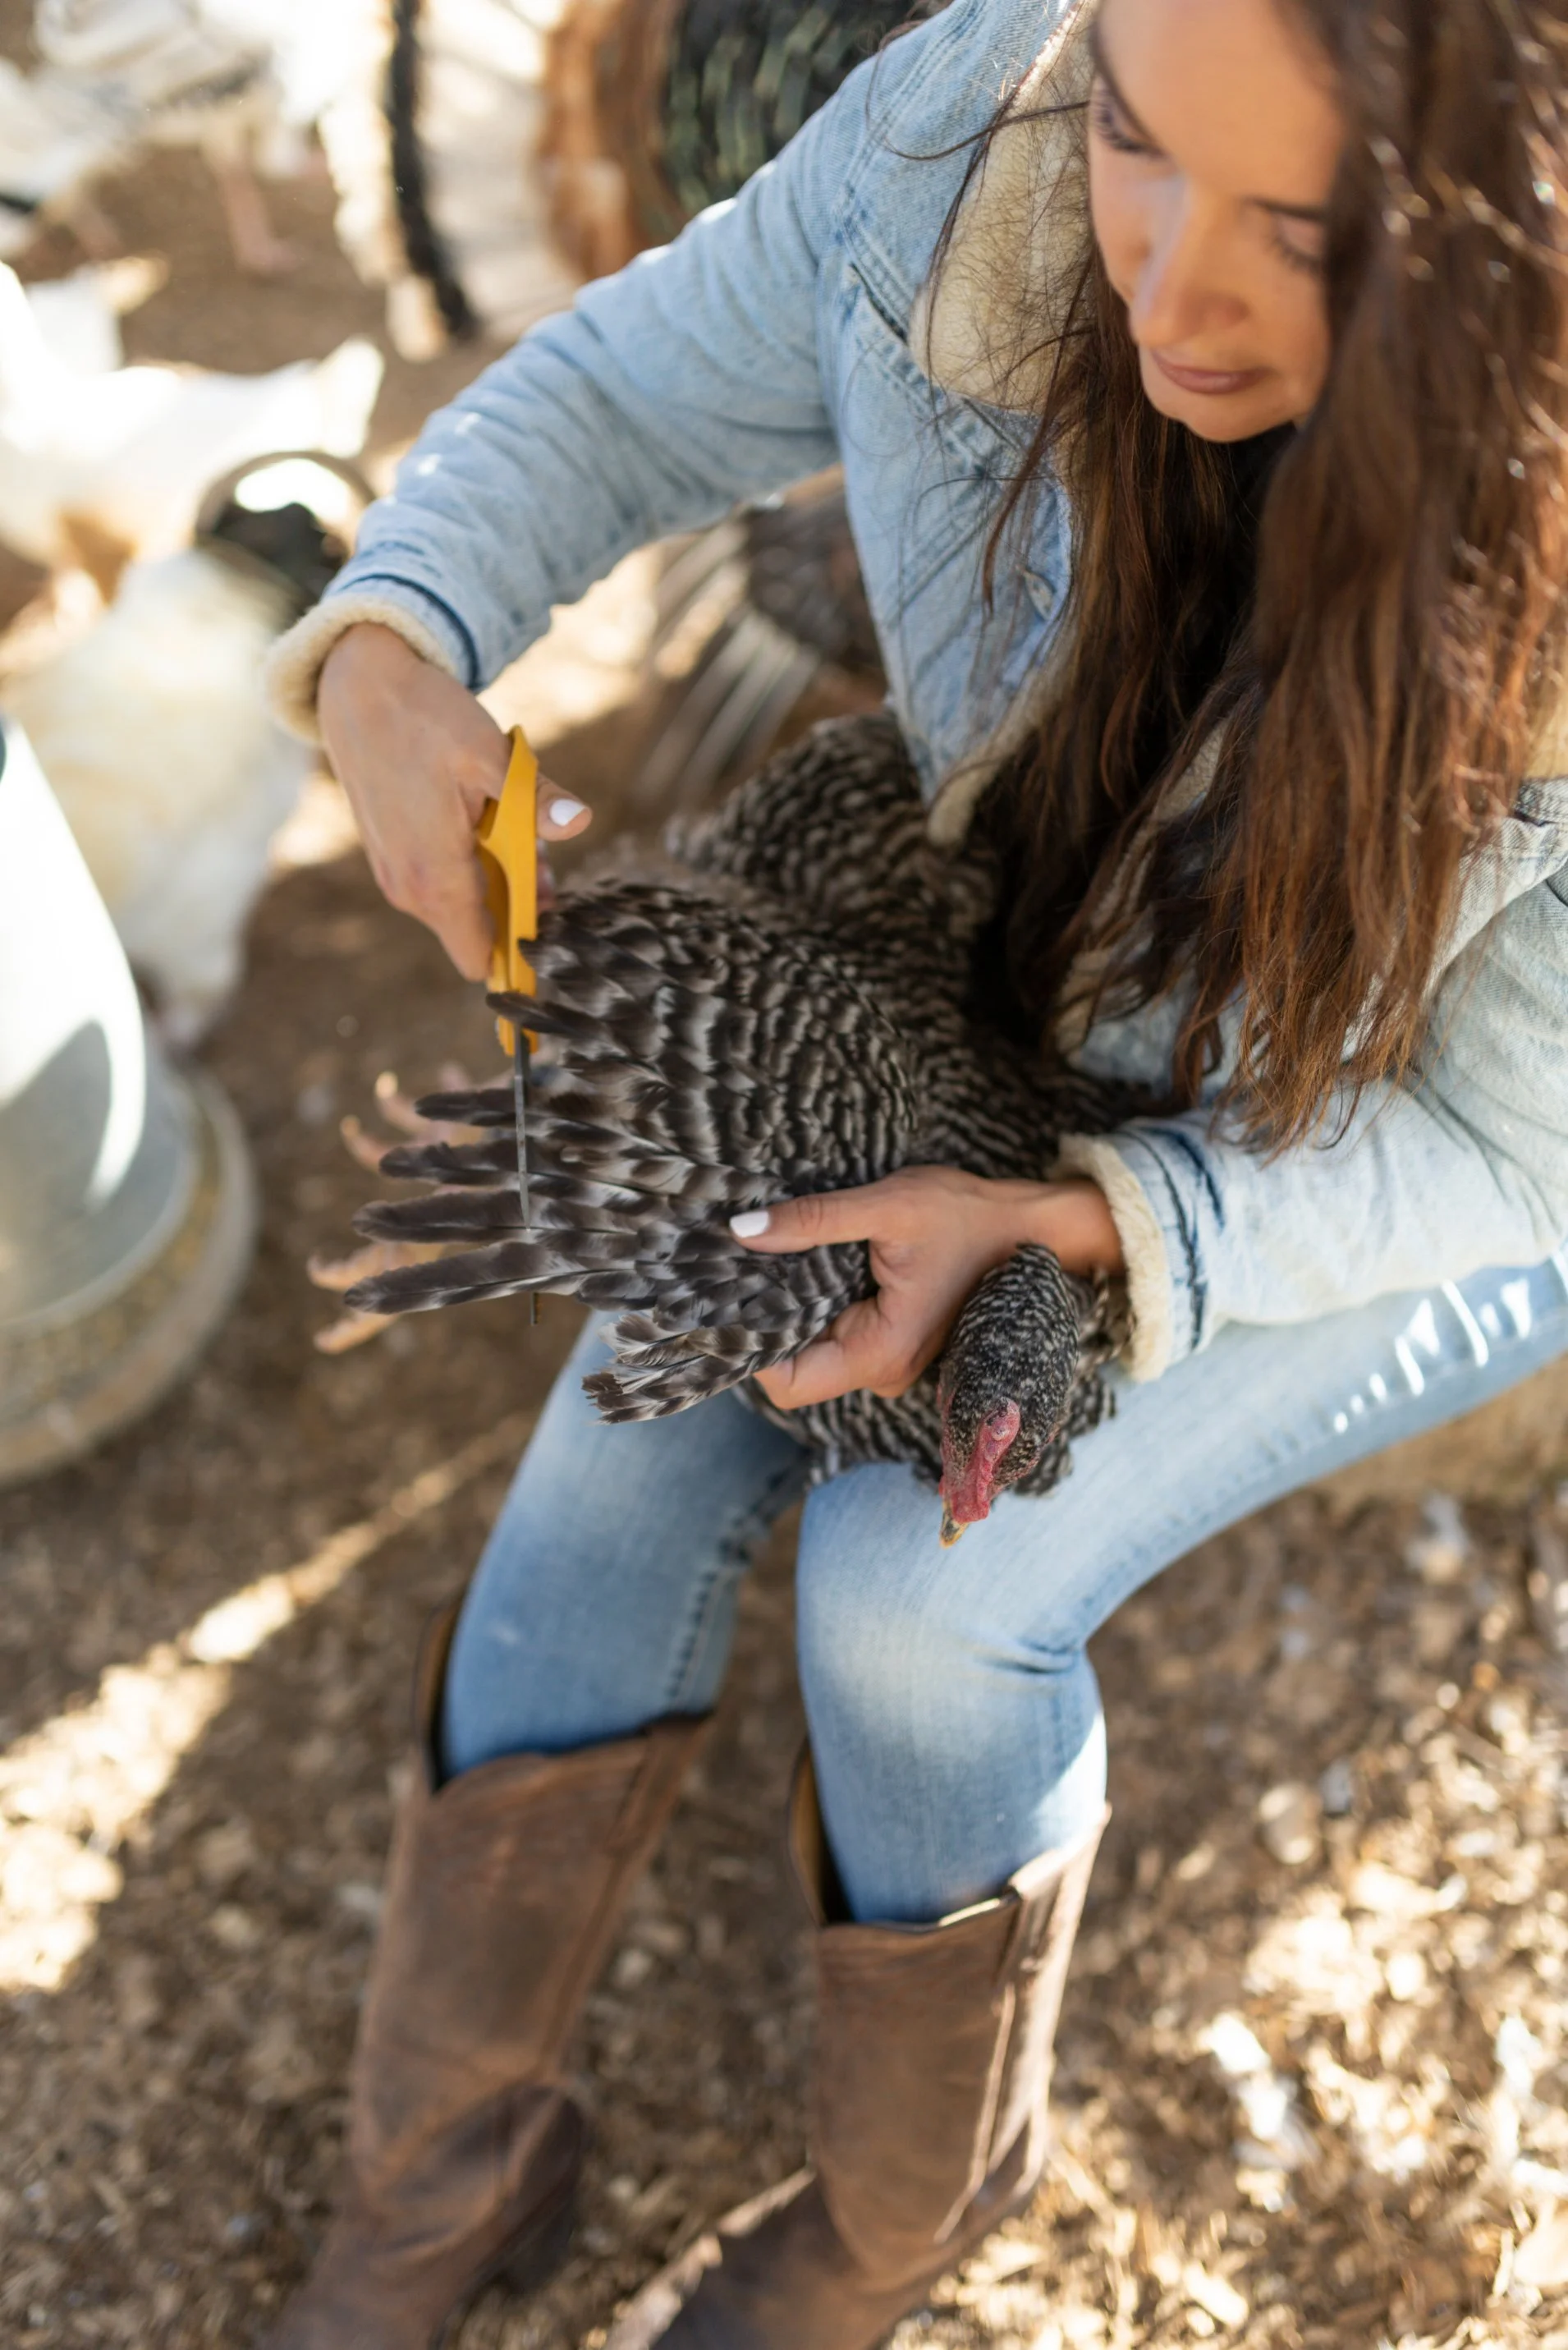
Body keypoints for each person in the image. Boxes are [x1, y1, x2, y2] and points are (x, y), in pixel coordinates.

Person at [259, 0, 1568, 2343]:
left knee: (914, 1589)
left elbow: (1504, 1140)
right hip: (1009, 985)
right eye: (1142, 149)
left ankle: (896, 2223)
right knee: (612, 1456)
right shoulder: (976, 130)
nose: (1165, 293)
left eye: (1304, 231)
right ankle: (439, 2174)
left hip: (1402, 1149)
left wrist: (1097, 1221)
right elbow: (628, 387)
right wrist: (392, 638)